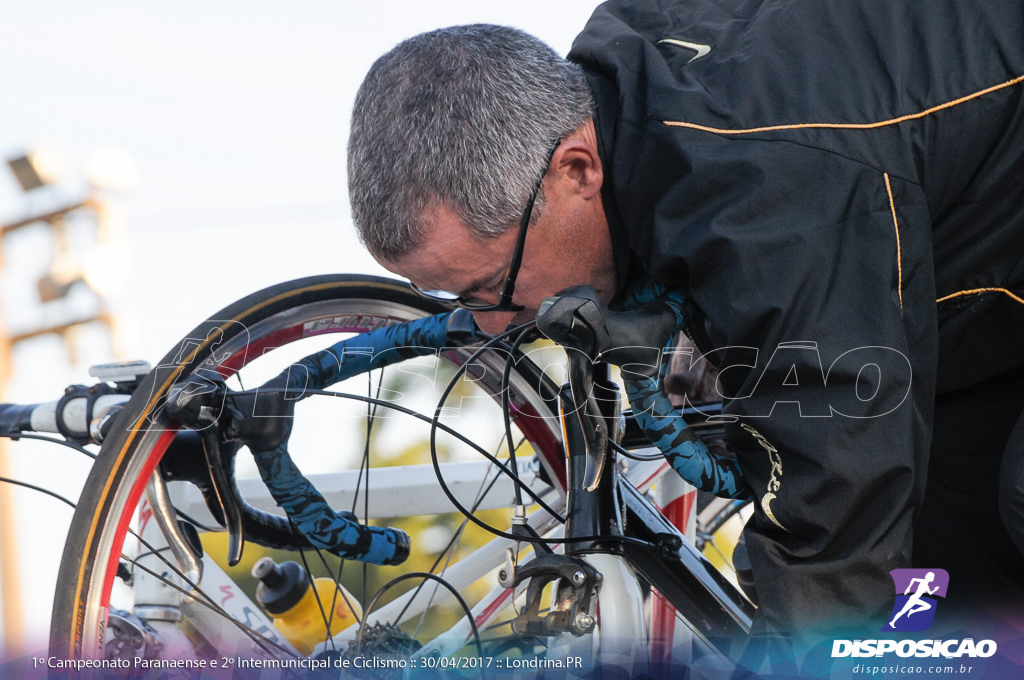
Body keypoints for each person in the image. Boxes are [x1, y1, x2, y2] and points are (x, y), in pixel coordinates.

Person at [347, 0, 1024, 651]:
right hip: (975, 268)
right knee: (947, 573)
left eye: (493, 285)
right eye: (452, 297)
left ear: (575, 168)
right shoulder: (621, 75)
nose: (496, 322)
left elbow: (834, 507)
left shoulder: (765, 192)